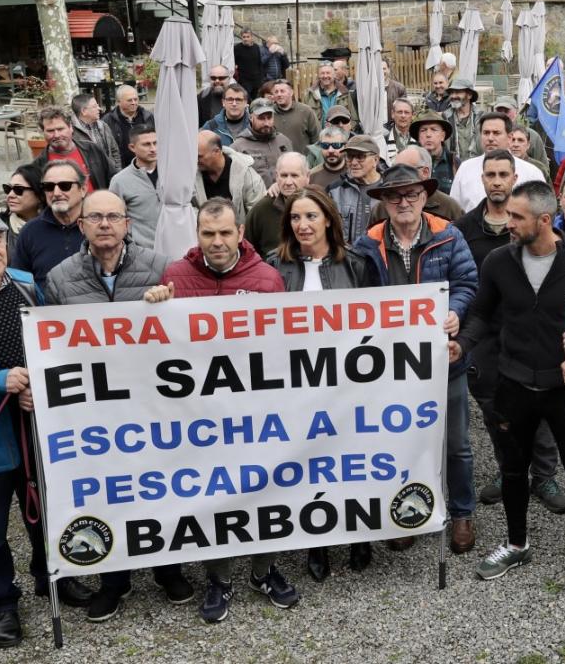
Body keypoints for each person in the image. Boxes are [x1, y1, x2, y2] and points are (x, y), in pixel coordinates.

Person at [41, 191, 191, 622]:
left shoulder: (161, 267)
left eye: (113, 216)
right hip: (95, 413)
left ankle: (169, 569)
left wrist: (169, 302)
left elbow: (186, 333)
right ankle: (114, 581)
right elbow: (52, 346)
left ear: (127, 223)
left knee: (163, 487)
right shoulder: (59, 278)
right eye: (95, 217)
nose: (105, 224)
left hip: (154, 405)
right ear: (81, 225)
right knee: (108, 492)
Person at [456, 182, 565, 590]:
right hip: (512, 384)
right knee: (512, 470)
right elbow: (481, 314)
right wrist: (462, 345)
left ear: (545, 220)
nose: (508, 223)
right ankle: (516, 543)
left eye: (516, 217)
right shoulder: (497, 262)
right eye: (508, 215)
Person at [0, 207, 94, 649]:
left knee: (44, 510)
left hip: (36, 423)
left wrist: (42, 388)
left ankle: (49, 577)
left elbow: (51, 347)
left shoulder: (27, 285)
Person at [157, 198, 300, 623]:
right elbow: (159, 346)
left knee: (265, 492)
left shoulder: (267, 278)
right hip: (200, 416)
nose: (216, 242)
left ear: (241, 232)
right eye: (207, 233)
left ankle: (263, 569)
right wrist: (153, 307)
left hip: (257, 413)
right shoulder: (175, 276)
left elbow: (285, 346)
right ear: (197, 235)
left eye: (224, 233)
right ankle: (219, 577)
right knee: (214, 496)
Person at [357, 165, 479, 554]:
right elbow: (357, 301)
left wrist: (456, 312)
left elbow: (467, 283)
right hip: (391, 366)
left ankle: (462, 513)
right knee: (398, 440)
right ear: (383, 202)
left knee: (456, 444)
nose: (403, 202)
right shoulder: (367, 243)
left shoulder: (448, 235)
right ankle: (407, 511)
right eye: (394, 196)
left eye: (411, 194)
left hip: (445, 359)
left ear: (425, 197)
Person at [266, 187, 376, 581]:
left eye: (311, 216)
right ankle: (319, 540)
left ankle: (360, 534)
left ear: (328, 218)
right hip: (298, 388)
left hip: (348, 385)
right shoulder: (274, 267)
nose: (303, 225)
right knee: (314, 464)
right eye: (295, 218)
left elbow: (381, 324)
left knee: (352, 460)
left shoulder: (358, 265)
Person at [456, 151, 565, 513]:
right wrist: (463, 341)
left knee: (543, 413)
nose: (497, 181)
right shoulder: (465, 229)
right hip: (489, 340)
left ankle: (546, 474)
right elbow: (473, 294)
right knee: (497, 412)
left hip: (535, 339)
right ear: (482, 179)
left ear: (515, 177)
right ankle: (509, 471)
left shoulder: (544, 235)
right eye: (490, 174)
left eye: (504, 174)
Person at [450, 113, 545, 212]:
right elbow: (454, 210)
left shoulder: (531, 173)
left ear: (509, 137)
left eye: (496, 133)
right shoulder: (466, 169)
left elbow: (541, 211)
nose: (490, 138)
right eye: (486, 133)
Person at [11, 160, 86, 286]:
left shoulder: (100, 226)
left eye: (65, 186)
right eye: (49, 187)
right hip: (45, 304)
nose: (56, 193)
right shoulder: (30, 232)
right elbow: (19, 282)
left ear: (83, 189)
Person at [370, 146, 463, 224]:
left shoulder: (449, 208)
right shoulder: (381, 208)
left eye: (406, 170)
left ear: (425, 173)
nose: (398, 176)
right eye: (395, 169)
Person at [244, 152, 310, 257]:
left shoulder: (319, 206)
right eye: (284, 175)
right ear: (276, 176)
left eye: (294, 175)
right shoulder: (262, 209)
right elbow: (246, 251)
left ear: (307, 176)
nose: (288, 182)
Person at [194, 131, 267, 224]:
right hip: (203, 234)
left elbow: (257, 213)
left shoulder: (246, 174)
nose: (196, 160)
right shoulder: (191, 175)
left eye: (199, 156)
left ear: (216, 151)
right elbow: (186, 206)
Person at [34, 106, 112, 192]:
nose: (56, 135)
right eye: (50, 131)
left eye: (60, 129)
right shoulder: (39, 165)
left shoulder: (92, 150)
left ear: (71, 128)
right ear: (43, 132)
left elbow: (112, 177)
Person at [108, 125, 161, 246]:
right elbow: (114, 219)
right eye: (146, 144)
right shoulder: (120, 181)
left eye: (155, 143)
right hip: (142, 252)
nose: (153, 149)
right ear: (132, 147)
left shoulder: (171, 174)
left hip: (176, 248)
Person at [328, 136, 384, 244]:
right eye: (349, 157)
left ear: (376, 160)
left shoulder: (389, 190)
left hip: (380, 258)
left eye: (360, 157)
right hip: (346, 258)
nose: (353, 162)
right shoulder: (335, 190)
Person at [230, 99, 293, 188]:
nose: (266, 123)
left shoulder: (284, 141)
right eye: (261, 118)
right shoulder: (238, 147)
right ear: (251, 117)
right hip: (257, 200)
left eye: (269, 117)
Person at [101, 86, 154, 171]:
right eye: (129, 100)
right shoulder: (108, 121)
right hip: (122, 169)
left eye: (136, 99)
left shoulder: (148, 117)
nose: (134, 103)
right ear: (119, 102)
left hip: (147, 168)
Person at [69, 92, 120, 173]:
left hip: (109, 176)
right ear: (84, 111)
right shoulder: (70, 131)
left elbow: (114, 151)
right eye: (95, 106)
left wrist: (117, 172)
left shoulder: (103, 126)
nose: (99, 108)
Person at [0, 165, 43, 253]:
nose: (10, 195)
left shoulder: (58, 225)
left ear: (39, 193)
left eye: (18, 189)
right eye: (8, 189)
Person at [413, 110, 459, 193]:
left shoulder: (455, 163)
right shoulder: (410, 163)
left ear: (442, 136)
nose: (428, 134)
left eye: (434, 130)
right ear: (418, 137)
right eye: (423, 130)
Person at [269, 77, 320, 149]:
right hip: (278, 159)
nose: (279, 94)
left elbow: (316, 137)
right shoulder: (269, 113)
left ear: (291, 92)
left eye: (282, 91)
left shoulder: (305, 111)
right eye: (276, 92)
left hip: (302, 158)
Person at [201, 82, 251, 147]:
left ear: (245, 102)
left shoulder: (253, 125)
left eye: (238, 100)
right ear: (223, 102)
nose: (234, 104)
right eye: (230, 99)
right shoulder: (211, 127)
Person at [233, 30, 266, 99]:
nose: (245, 39)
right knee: (246, 98)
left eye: (248, 37)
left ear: (251, 37)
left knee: (256, 98)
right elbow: (233, 62)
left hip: (256, 80)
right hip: (244, 80)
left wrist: (261, 77)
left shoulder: (256, 47)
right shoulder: (237, 48)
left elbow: (259, 63)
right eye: (244, 37)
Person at [384, 97, 416, 162]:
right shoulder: (384, 138)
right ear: (393, 114)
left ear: (412, 115)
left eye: (406, 112)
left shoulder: (419, 138)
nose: (403, 116)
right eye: (399, 112)